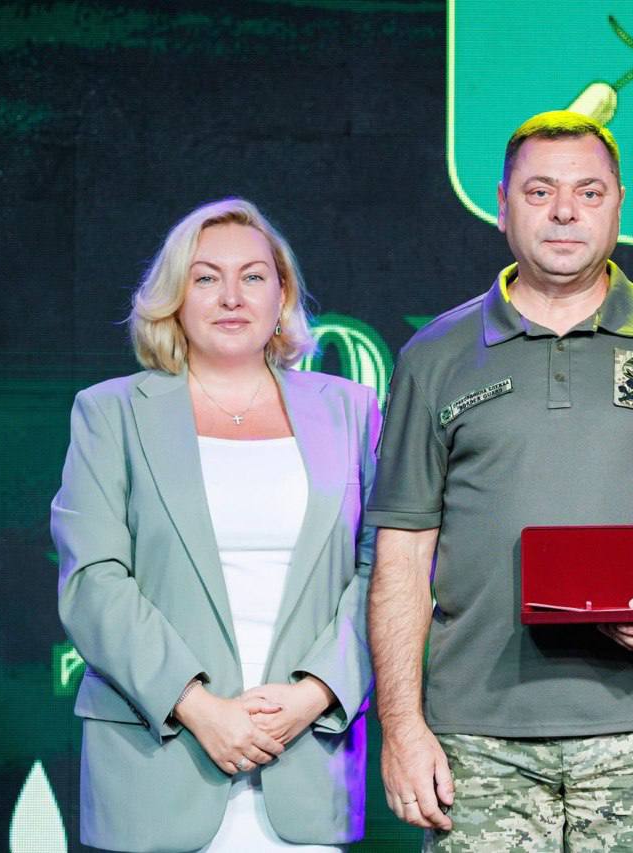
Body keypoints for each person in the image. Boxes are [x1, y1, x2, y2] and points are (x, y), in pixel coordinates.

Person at [366, 111, 633, 851]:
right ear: (501, 204)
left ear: (618, 203)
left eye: (589, 192)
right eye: (540, 191)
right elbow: (401, 559)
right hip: (475, 742)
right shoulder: (433, 357)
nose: (565, 212)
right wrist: (402, 725)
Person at [51, 198, 379, 852]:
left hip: (307, 763)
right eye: (206, 277)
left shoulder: (352, 409)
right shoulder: (109, 412)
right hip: (157, 767)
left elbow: (386, 572)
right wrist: (199, 707)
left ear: (282, 295)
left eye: (252, 276)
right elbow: (93, 582)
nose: (231, 296)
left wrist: (313, 694)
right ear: (174, 297)